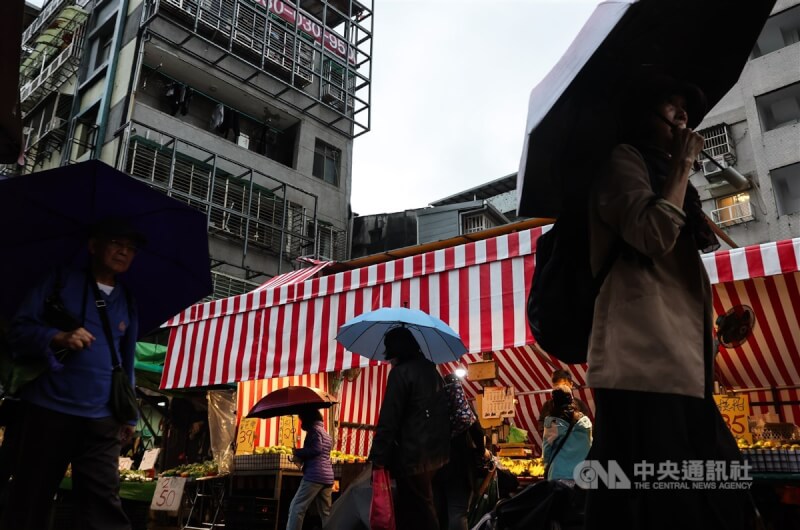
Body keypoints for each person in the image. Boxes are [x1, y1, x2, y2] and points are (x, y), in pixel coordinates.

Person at [584, 70, 757, 530]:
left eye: (686, 108)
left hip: (679, 362)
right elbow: (652, 235)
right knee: (657, 493)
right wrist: (681, 166)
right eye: (671, 105)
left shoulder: (671, 181)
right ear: (643, 116)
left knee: (711, 481)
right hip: (641, 362)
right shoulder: (622, 161)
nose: (683, 115)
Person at [1, 218, 142, 530]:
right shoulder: (59, 280)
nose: (124, 252)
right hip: (48, 409)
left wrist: (129, 416)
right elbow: (19, 331)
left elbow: (127, 361)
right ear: (93, 246)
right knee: (31, 498)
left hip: (103, 417)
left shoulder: (128, 300)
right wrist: (57, 336)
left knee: (103, 502)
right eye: (117, 243)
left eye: (131, 249)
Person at [369, 326, 451, 530]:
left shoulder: (400, 374)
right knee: (423, 509)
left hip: (413, 455)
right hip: (438, 454)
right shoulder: (432, 370)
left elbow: (389, 419)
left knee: (419, 512)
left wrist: (377, 459)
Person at [434, 374, 489, 530]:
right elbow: (477, 433)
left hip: (434, 467)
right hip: (458, 467)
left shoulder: (433, 407)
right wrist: (481, 450)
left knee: (438, 511)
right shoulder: (462, 409)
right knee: (457, 512)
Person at [287, 408, 334, 530]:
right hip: (327, 477)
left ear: (308, 419)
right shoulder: (325, 433)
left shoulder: (314, 431)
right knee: (326, 513)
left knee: (297, 507)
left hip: (314, 476)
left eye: (302, 419)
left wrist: (298, 452)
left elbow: (316, 449)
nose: (301, 423)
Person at [541, 385, 592, 481]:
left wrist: (546, 467)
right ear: (572, 398)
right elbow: (590, 446)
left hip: (560, 474)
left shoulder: (552, 422)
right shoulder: (586, 422)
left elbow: (547, 449)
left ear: (554, 401)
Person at [537, 369, 590, 436]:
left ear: (571, 384)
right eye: (556, 385)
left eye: (564, 385)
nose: (561, 388)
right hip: (555, 444)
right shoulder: (548, 405)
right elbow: (541, 423)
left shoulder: (580, 404)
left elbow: (586, 426)